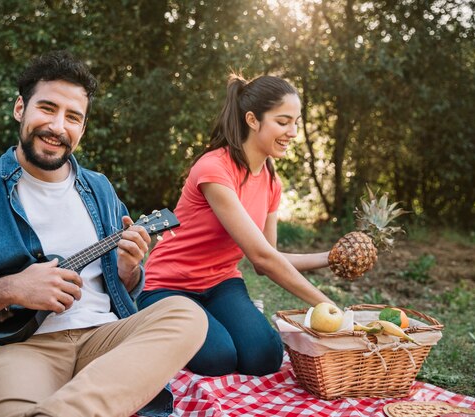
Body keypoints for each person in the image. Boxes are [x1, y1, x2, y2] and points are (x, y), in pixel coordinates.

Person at [0, 50, 207, 417]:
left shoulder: (100, 189)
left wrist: (128, 269)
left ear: (82, 129)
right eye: (47, 108)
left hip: (102, 340)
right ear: (20, 109)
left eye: (72, 117)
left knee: (186, 314)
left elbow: (126, 287)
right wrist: (10, 288)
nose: (58, 126)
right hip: (15, 350)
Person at [137, 73, 336, 377]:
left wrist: (329, 258)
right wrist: (330, 307)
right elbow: (262, 259)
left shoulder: (272, 181)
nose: (293, 132)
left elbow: (269, 255)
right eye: (283, 122)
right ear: (253, 120)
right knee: (219, 358)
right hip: (169, 286)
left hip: (221, 284)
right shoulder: (214, 169)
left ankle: (223, 321)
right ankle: (151, 324)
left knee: (265, 357)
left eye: (296, 122)